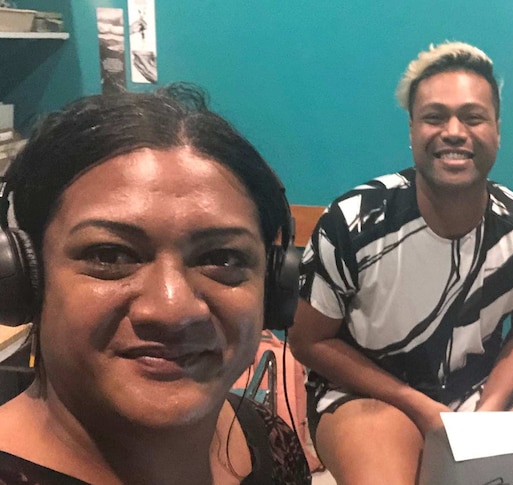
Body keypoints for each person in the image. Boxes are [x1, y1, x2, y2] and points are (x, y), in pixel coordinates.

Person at [0, 85, 311, 485]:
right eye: (110, 256)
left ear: (272, 286)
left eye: (222, 259)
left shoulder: (268, 440)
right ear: (27, 279)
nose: (173, 309)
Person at [288, 41, 513, 484]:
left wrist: (489, 411)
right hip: (366, 392)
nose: (454, 131)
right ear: (412, 130)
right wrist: (418, 406)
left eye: (473, 117)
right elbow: (308, 341)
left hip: (478, 393)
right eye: (435, 117)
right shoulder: (351, 222)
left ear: (497, 129)